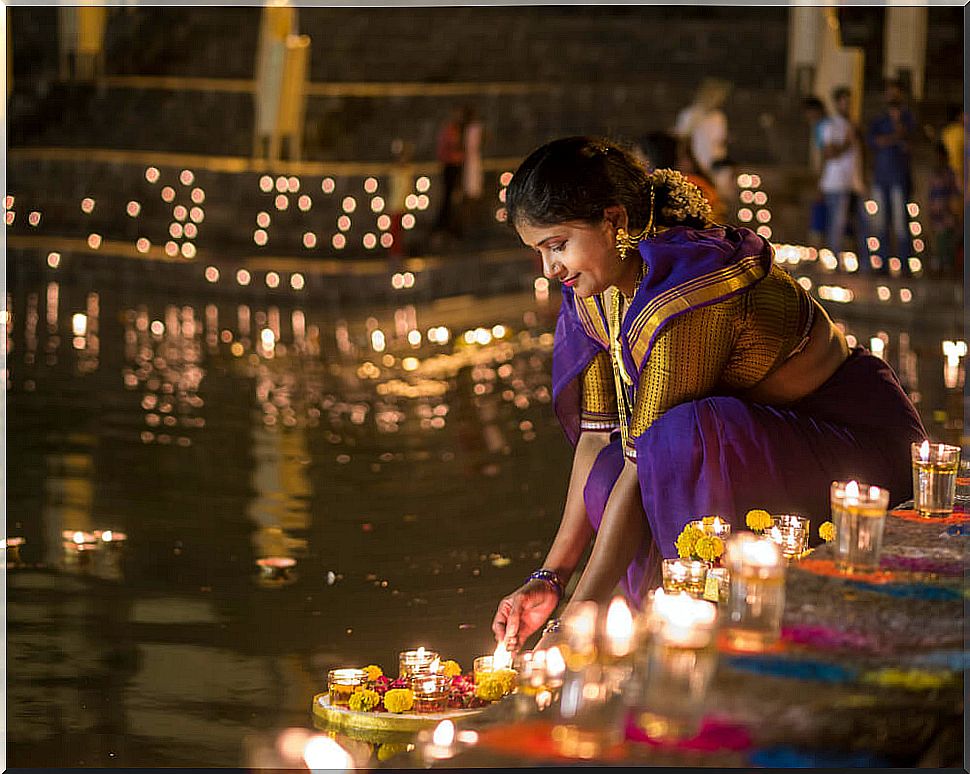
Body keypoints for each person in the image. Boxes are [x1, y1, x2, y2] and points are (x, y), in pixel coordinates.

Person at [491, 137, 925, 652]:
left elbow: (651, 456)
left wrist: (571, 624)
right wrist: (551, 580)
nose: (550, 270)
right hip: (763, 450)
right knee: (609, 470)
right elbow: (597, 441)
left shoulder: (688, 285)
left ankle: (703, 632)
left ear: (613, 221)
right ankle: (643, 631)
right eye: (539, 252)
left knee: (684, 437)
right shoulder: (593, 290)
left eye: (558, 245)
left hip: (852, 450)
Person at [866, 78, 916, 267]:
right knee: (880, 222)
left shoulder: (907, 118)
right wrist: (893, 138)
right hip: (881, 177)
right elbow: (874, 141)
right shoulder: (879, 120)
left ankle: (904, 262)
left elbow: (909, 139)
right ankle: (883, 262)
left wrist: (896, 130)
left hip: (899, 177)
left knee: (901, 222)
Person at [820, 86, 870, 268]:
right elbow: (828, 153)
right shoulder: (830, 125)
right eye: (844, 101)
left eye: (849, 102)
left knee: (863, 225)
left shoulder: (854, 126)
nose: (847, 105)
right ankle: (836, 264)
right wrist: (847, 143)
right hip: (836, 183)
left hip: (855, 183)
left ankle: (865, 264)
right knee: (837, 225)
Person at [672, 78, 731, 177]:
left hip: (713, 165)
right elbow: (681, 137)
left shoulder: (718, 117)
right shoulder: (689, 115)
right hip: (695, 163)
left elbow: (719, 142)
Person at [926, 142, 961, 277]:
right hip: (936, 214)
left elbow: (955, 194)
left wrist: (955, 212)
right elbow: (930, 195)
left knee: (946, 241)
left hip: (947, 214)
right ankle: (938, 266)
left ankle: (948, 266)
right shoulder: (933, 174)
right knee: (937, 242)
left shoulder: (950, 174)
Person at [432, 107, 465, 240]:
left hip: (455, 165)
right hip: (450, 165)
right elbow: (450, 147)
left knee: (453, 197)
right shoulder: (450, 130)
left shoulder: (455, 130)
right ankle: (444, 226)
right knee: (448, 197)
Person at [801, 96, 829, 247]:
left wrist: (822, 179)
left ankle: (822, 250)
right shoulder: (821, 126)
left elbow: (825, 155)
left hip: (830, 178)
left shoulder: (824, 126)